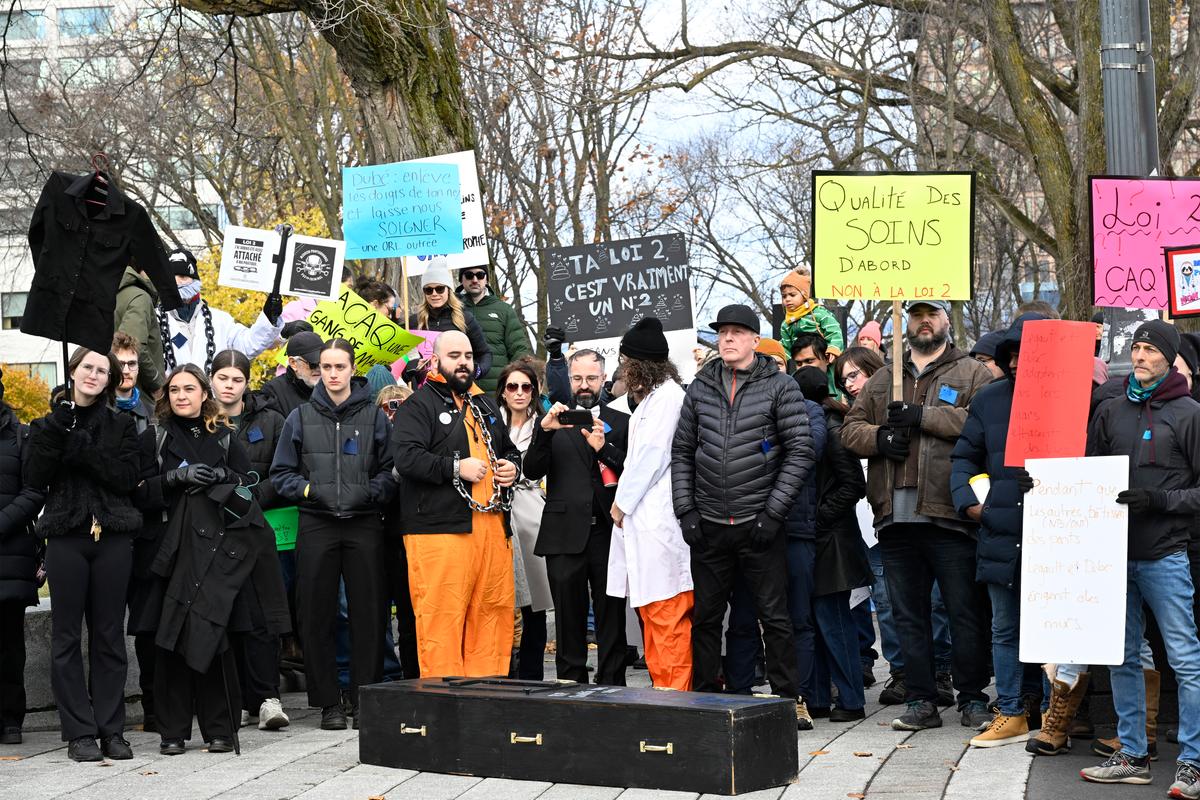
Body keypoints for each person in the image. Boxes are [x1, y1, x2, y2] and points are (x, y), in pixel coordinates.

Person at [841, 299, 994, 732]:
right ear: (905, 322)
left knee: (964, 611)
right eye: (915, 315)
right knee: (908, 614)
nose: (923, 322)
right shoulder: (884, 378)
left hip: (950, 514)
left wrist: (923, 416)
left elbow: (979, 424)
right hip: (894, 516)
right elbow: (850, 429)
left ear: (947, 320)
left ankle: (973, 697)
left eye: (932, 314)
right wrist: (879, 438)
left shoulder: (971, 373)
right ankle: (921, 699)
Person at [671, 304, 815, 725]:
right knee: (706, 619)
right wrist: (687, 511)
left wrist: (773, 513)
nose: (728, 339)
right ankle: (703, 699)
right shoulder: (700, 387)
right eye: (722, 333)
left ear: (755, 340)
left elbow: (800, 449)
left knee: (775, 617)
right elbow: (681, 452)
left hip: (759, 524)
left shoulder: (780, 386)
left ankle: (790, 699)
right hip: (710, 525)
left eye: (737, 332)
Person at [1079, 320, 1200, 796]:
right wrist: (1046, 490)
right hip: (1114, 555)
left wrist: (1160, 502)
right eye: (1137, 347)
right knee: (1122, 655)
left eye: (1151, 348)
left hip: (1166, 554)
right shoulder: (1110, 410)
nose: (1142, 355)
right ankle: (1133, 753)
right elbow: (1087, 475)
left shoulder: (1190, 413)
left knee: (1186, 659)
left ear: (1170, 358)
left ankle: (1192, 761)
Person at [141, 365, 267, 755]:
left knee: (217, 638)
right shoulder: (154, 437)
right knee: (170, 639)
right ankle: (172, 731)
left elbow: (251, 485)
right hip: (169, 550)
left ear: (203, 393)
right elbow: (137, 491)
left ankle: (220, 729)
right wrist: (173, 481)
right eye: (174, 389)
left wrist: (223, 478)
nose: (181, 395)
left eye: (189, 388)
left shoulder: (226, 437)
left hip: (218, 553)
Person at [271, 339, 397, 730]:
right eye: (326, 367)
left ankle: (364, 698)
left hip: (363, 524)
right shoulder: (300, 417)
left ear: (351, 368)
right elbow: (281, 474)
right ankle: (328, 703)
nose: (332, 373)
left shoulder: (374, 417)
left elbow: (392, 471)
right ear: (317, 370)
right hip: (318, 523)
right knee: (316, 614)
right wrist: (311, 491)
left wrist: (369, 493)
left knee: (369, 613)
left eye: (340, 366)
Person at [24, 347, 141, 761]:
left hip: (112, 537)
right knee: (66, 636)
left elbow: (126, 478)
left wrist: (83, 448)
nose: (93, 374)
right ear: (73, 371)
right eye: (87, 367)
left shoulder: (123, 425)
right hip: (66, 537)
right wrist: (59, 432)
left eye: (102, 370)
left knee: (109, 636)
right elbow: (34, 477)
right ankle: (78, 731)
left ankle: (112, 729)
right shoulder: (46, 425)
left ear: (110, 380)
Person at [391, 330, 521, 678]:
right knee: (441, 618)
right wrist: (454, 467)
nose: (463, 362)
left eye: (467, 356)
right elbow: (406, 458)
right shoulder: (418, 406)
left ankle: (486, 696)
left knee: (492, 614)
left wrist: (512, 465)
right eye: (454, 356)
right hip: (440, 533)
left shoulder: (485, 403)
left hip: (492, 528)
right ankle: (444, 702)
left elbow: (508, 449)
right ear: (435, 361)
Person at [949, 314, 1045, 748]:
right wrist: (971, 506)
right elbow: (964, 459)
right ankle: (1010, 711)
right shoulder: (988, 401)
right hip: (1000, 531)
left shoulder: (1081, 398)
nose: (1020, 361)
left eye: (1031, 353)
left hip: (1057, 534)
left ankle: (1049, 710)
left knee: (1050, 629)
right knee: (1005, 628)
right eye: (1014, 354)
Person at [524, 349, 630, 685]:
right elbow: (531, 469)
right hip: (563, 532)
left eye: (591, 378)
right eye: (577, 378)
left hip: (607, 533)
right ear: (569, 379)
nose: (584, 386)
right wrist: (544, 431)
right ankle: (570, 682)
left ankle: (612, 683)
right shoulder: (552, 420)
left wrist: (604, 449)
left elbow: (632, 471)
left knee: (611, 616)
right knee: (568, 616)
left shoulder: (624, 421)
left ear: (604, 378)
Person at [606, 319, 694, 690]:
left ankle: (676, 699)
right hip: (648, 528)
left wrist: (620, 504)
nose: (622, 372)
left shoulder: (668, 400)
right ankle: (665, 693)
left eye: (626, 363)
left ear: (640, 365)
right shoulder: (654, 400)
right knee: (654, 619)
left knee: (667, 620)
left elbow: (650, 458)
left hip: (660, 526)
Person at [209, 350, 292, 732]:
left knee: (262, 615)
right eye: (222, 378)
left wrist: (250, 497)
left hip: (258, 529)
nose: (229, 385)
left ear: (246, 382)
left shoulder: (272, 420)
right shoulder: (202, 422)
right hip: (214, 533)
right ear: (212, 380)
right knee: (227, 615)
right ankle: (236, 698)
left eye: (236, 379)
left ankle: (266, 697)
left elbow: (285, 471)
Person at [796, 366, 872, 721]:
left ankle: (851, 700)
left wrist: (818, 517)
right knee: (819, 620)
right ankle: (820, 698)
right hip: (822, 539)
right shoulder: (820, 424)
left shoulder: (830, 428)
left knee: (834, 622)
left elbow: (853, 484)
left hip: (833, 543)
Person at [111, 331, 163, 733]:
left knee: (148, 625)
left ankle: (154, 704)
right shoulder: (95, 409)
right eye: (120, 363)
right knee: (107, 625)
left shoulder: (154, 411)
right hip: (109, 529)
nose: (127, 371)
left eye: (132, 363)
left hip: (146, 533)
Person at [495, 359, 553, 680]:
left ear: (534, 391)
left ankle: (531, 675)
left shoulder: (544, 425)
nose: (519, 393)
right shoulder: (490, 422)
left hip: (531, 513)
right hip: (496, 510)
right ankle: (500, 669)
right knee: (498, 601)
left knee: (534, 608)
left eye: (526, 387)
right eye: (512, 386)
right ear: (503, 391)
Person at [0, 368, 45, 746]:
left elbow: (34, 492)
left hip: (9, 553)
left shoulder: (20, 435)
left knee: (10, 640)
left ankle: (11, 717)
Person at [158, 248, 284, 375]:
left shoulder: (220, 320)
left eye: (183, 277)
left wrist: (269, 316)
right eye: (171, 278)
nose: (177, 283)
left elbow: (248, 345)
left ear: (195, 280)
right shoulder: (155, 319)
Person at [375, 385, 419, 680]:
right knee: (376, 614)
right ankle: (386, 673)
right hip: (377, 535)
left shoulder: (418, 439)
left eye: (401, 406)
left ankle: (413, 673)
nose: (394, 412)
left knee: (409, 613)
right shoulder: (373, 439)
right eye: (388, 407)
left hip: (409, 535)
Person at [403, 258, 492, 386]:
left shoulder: (465, 319)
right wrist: (409, 367)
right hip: (425, 390)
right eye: (428, 290)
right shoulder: (412, 322)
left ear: (448, 290)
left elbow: (485, 353)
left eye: (439, 289)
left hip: (456, 387)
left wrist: (477, 370)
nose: (434, 294)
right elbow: (404, 359)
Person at [458, 265, 532, 393]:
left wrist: (515, 385)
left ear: (487, 279)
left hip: (497, 391)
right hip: (461, 389)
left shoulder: (504, 310)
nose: (475, 280)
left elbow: (518, 350)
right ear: (461, 279)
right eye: (469, 275)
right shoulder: (453, 309)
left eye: (480, 275)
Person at [115, 265, 166, 394]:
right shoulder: (139, 297)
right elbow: (133, 347)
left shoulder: (114, 293)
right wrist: (157, 383)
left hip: (117, 387)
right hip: (137, 392)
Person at [778, 268, 844, 362]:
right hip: (802, 364)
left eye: (792, 295)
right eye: (784, 296)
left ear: (804, 296)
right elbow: (786, 348)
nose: (787, 299)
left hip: (825, 361)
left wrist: (833, 348)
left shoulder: (819, 313)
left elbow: (834, 331)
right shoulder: (786, 324)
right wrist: (777, 358)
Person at [260, 331, 323, 419]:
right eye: (313, 363)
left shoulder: (334, 388)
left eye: (322, 363)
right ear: (293, 363)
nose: (318, 368)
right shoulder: (273, 392)